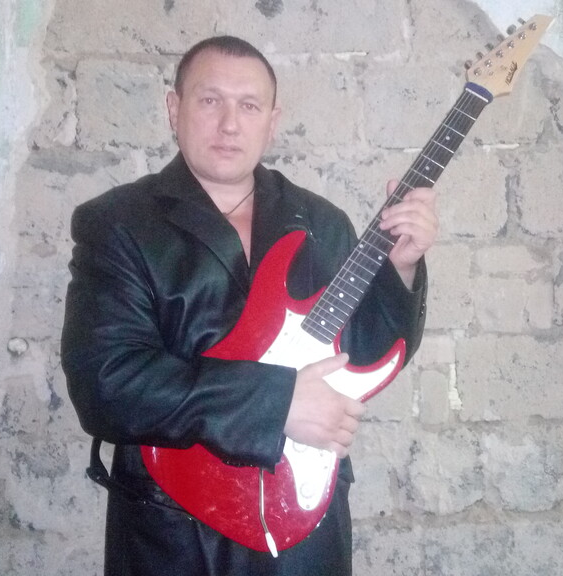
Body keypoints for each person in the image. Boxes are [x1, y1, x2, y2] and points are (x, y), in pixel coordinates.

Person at [61, 35, 439, 575]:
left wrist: (400, 268)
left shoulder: (322, 222)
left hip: (305, 525)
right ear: (173, 108)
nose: (230, 124)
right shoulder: (118, 224)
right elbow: (107, 386)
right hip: (175, 529)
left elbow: (357, 359)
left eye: (249, 105)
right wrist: (276, 403)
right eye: (210, 100)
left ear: (272, 120)